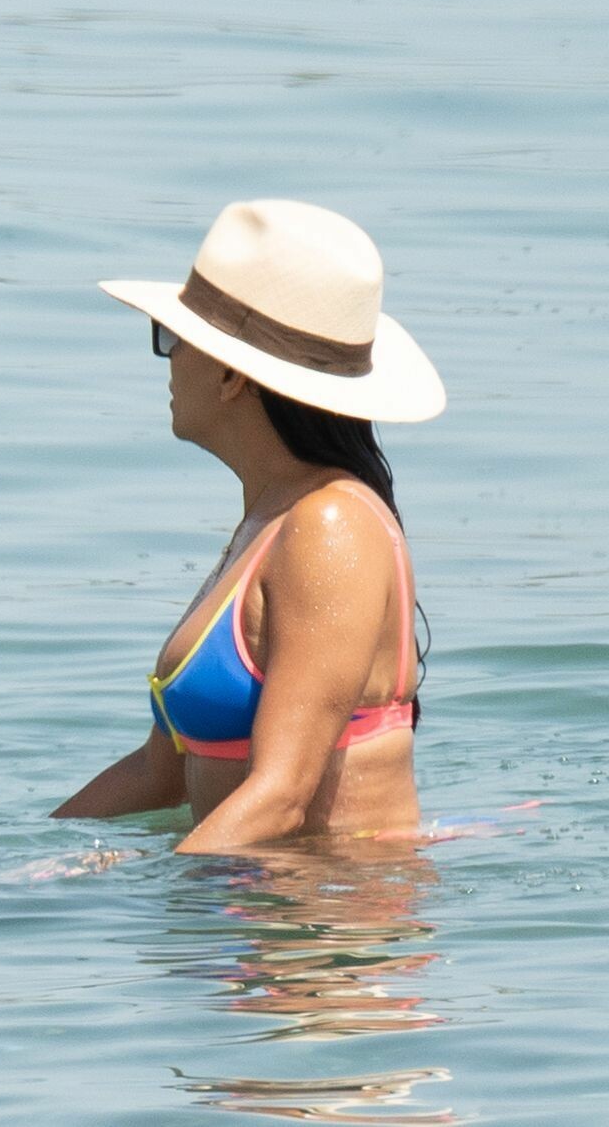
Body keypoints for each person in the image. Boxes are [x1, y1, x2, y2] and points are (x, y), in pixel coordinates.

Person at [54, 199, 444, 852]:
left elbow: (282, 796)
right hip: (247, 900)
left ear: (233, 373)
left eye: (172, 338)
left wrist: (157, 885)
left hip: (326, 911)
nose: (168, 359)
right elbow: (159, 773)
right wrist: (14, 864)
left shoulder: (328, 527)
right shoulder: (271, 519)